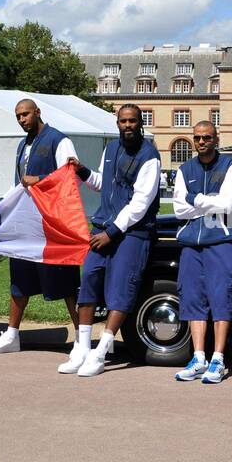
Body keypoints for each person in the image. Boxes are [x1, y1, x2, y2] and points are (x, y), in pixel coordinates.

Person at [63, 104, 161, 377]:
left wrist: (111, 233)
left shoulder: (150, 156)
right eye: (123, 121)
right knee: (88, 285)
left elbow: (140, 204)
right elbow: (103, 182)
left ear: (140, 123)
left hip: (131, 233)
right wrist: (83, 172)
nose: (128, 125)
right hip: (103, 227)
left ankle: (101, 351)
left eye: (132, 121)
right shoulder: (111, 149)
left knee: (120, 291)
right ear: (117, 123)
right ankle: (82, 348)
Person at [0, 98, 80, 355]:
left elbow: (70, 176)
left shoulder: (60, 140)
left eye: (25, 114)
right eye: (18, 116)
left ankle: (82, 338)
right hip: (27, 226)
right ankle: (12, 335)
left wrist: (40, 179)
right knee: (20, 279)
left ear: (37, 112)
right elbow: (21, 185)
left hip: (52, 226)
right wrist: (2, 202)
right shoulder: (22, 145)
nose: (22, 120)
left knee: (66, 282)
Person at [172, 121, 232, 384]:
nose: (202, 142)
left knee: (221, 298)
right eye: (197, 138)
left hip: (221, 241)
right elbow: (179, 210)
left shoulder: (230, 165)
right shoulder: (184, 169)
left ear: (216, 139)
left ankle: (218, 359)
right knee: (192, 299)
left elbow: (226, 204)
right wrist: (206, 202)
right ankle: (199, 357)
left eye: (207, 138)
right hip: (192, 242)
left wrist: (195, 198)